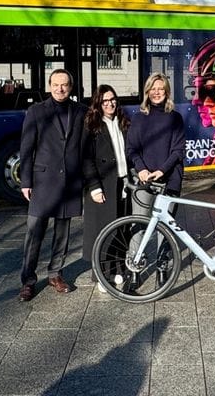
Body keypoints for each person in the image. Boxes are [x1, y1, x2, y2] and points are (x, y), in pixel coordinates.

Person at [17, 69, 87, 302]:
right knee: (34, 232)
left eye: (64, 85)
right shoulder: (36, 112)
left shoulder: (81, 112)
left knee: (62, 233)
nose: (60, 89)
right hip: (42, 182)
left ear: (71, 87)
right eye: (56, 84)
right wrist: (25, 181)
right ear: (49, 86)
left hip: (69, 182)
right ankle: (28, 280)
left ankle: (55, 273)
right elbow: (26, 149)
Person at [82, 85, 130, 294]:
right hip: (102, 185)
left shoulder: (123, 121)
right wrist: (94, 186)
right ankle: (101, 274)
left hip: (123, 182)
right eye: (105, 101)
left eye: (112, 99)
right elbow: (86, 160)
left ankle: (117, 268)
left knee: (120, 229)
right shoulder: (92, 126)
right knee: (102, 232)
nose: (110, 103)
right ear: (98, 104)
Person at [126, 73, 186, 199]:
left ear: (167, 92)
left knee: (165, 219)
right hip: (144, 179)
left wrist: (161, 171)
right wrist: (141, 169)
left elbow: (178, 151)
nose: (156, 92)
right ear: (147, 92)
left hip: (170, 181)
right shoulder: (138, 118)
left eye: (161, 89)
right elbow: (131, 149)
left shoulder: (175, 118)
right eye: (153, 89)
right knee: (140, 218)